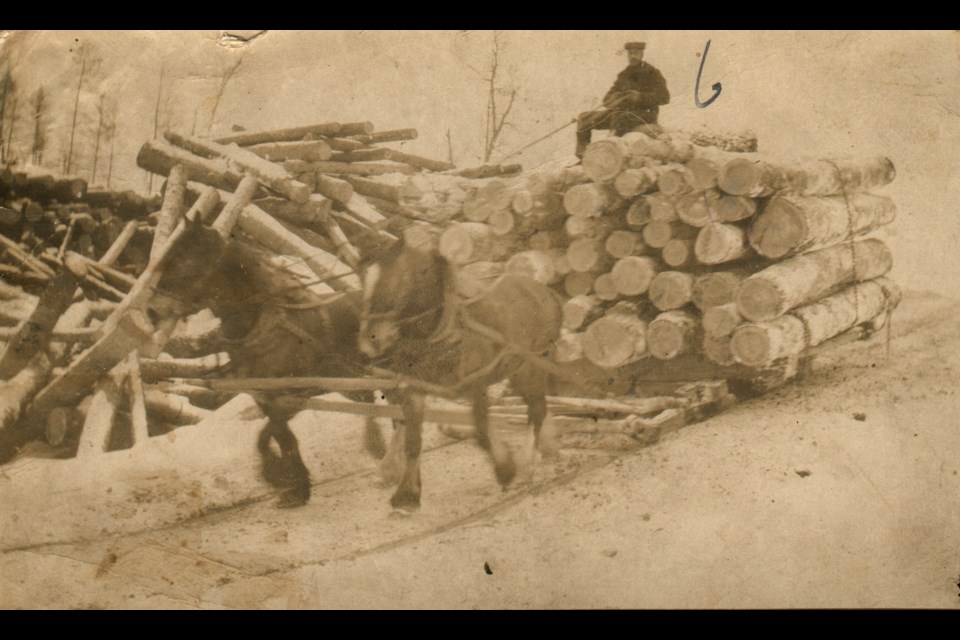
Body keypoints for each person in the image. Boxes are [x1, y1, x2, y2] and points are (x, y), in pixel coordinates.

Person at [576, 42, 670, 157]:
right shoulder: (624, 75)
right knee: (584, 118)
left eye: (636, 53)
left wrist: (639, 97)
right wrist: (613, 98)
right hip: (619, 113)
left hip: (645, 114)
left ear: (642, 54)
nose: (632, 56)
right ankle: (583, 157)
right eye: (630, 53)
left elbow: (665, 97)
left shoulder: (652, 73)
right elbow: (607, 99)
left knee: (620, 116)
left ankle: (611, 152)